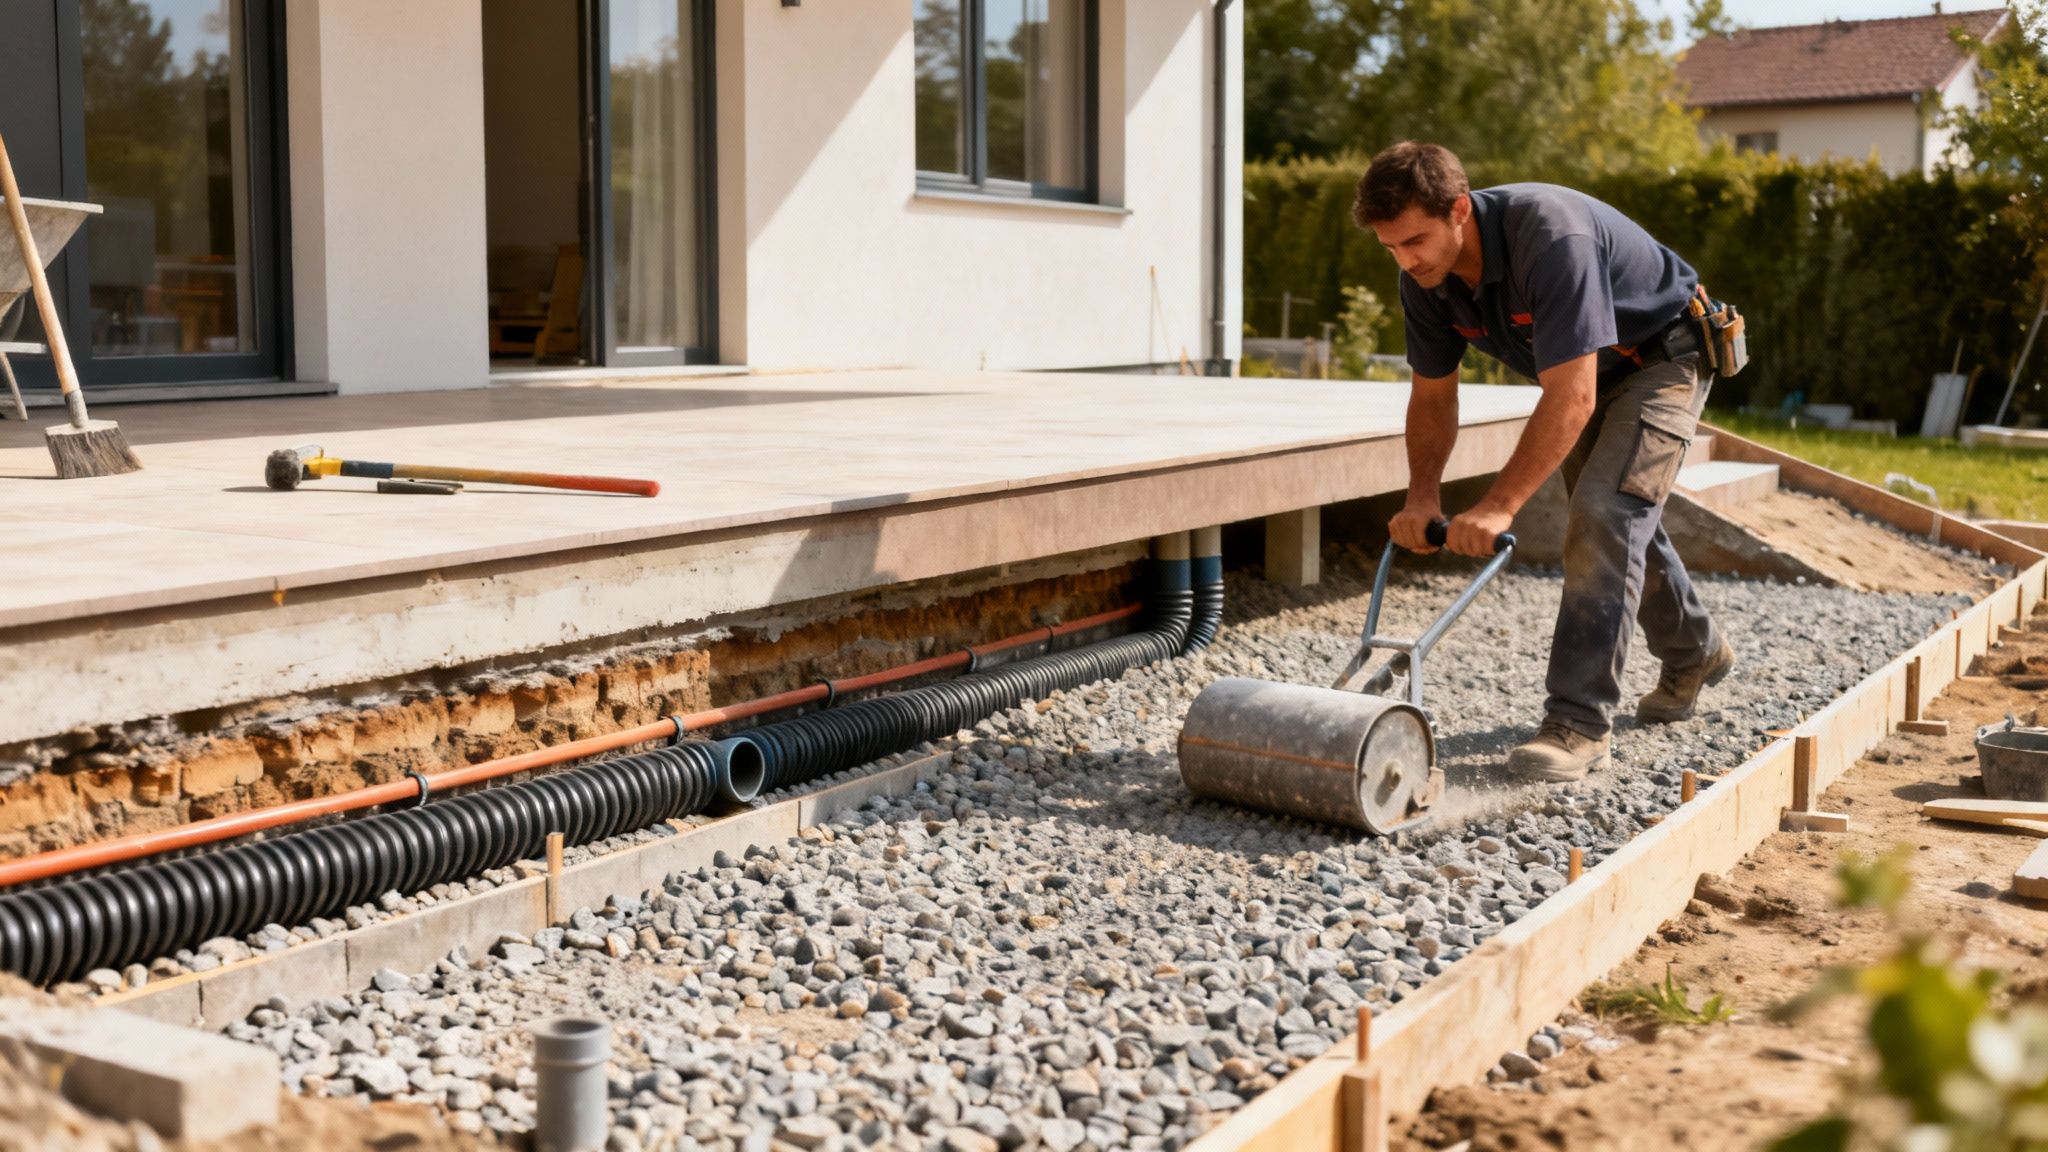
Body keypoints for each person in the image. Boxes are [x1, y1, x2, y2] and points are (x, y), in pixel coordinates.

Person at [1352, 141, 1736, 783]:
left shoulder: (1551, 238)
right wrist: (1423, 498)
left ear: (1458, 210)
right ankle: (1695, 650)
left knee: (1605, 512)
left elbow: (1573, 394)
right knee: (1619, 518)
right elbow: (1432, 396)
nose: (1404, 259)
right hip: (1589, 373)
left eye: (1414, 241)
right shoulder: (1423, 279)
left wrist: (1499, 504)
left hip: (1663, 359)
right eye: (1390, 247)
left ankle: (1580, 725)